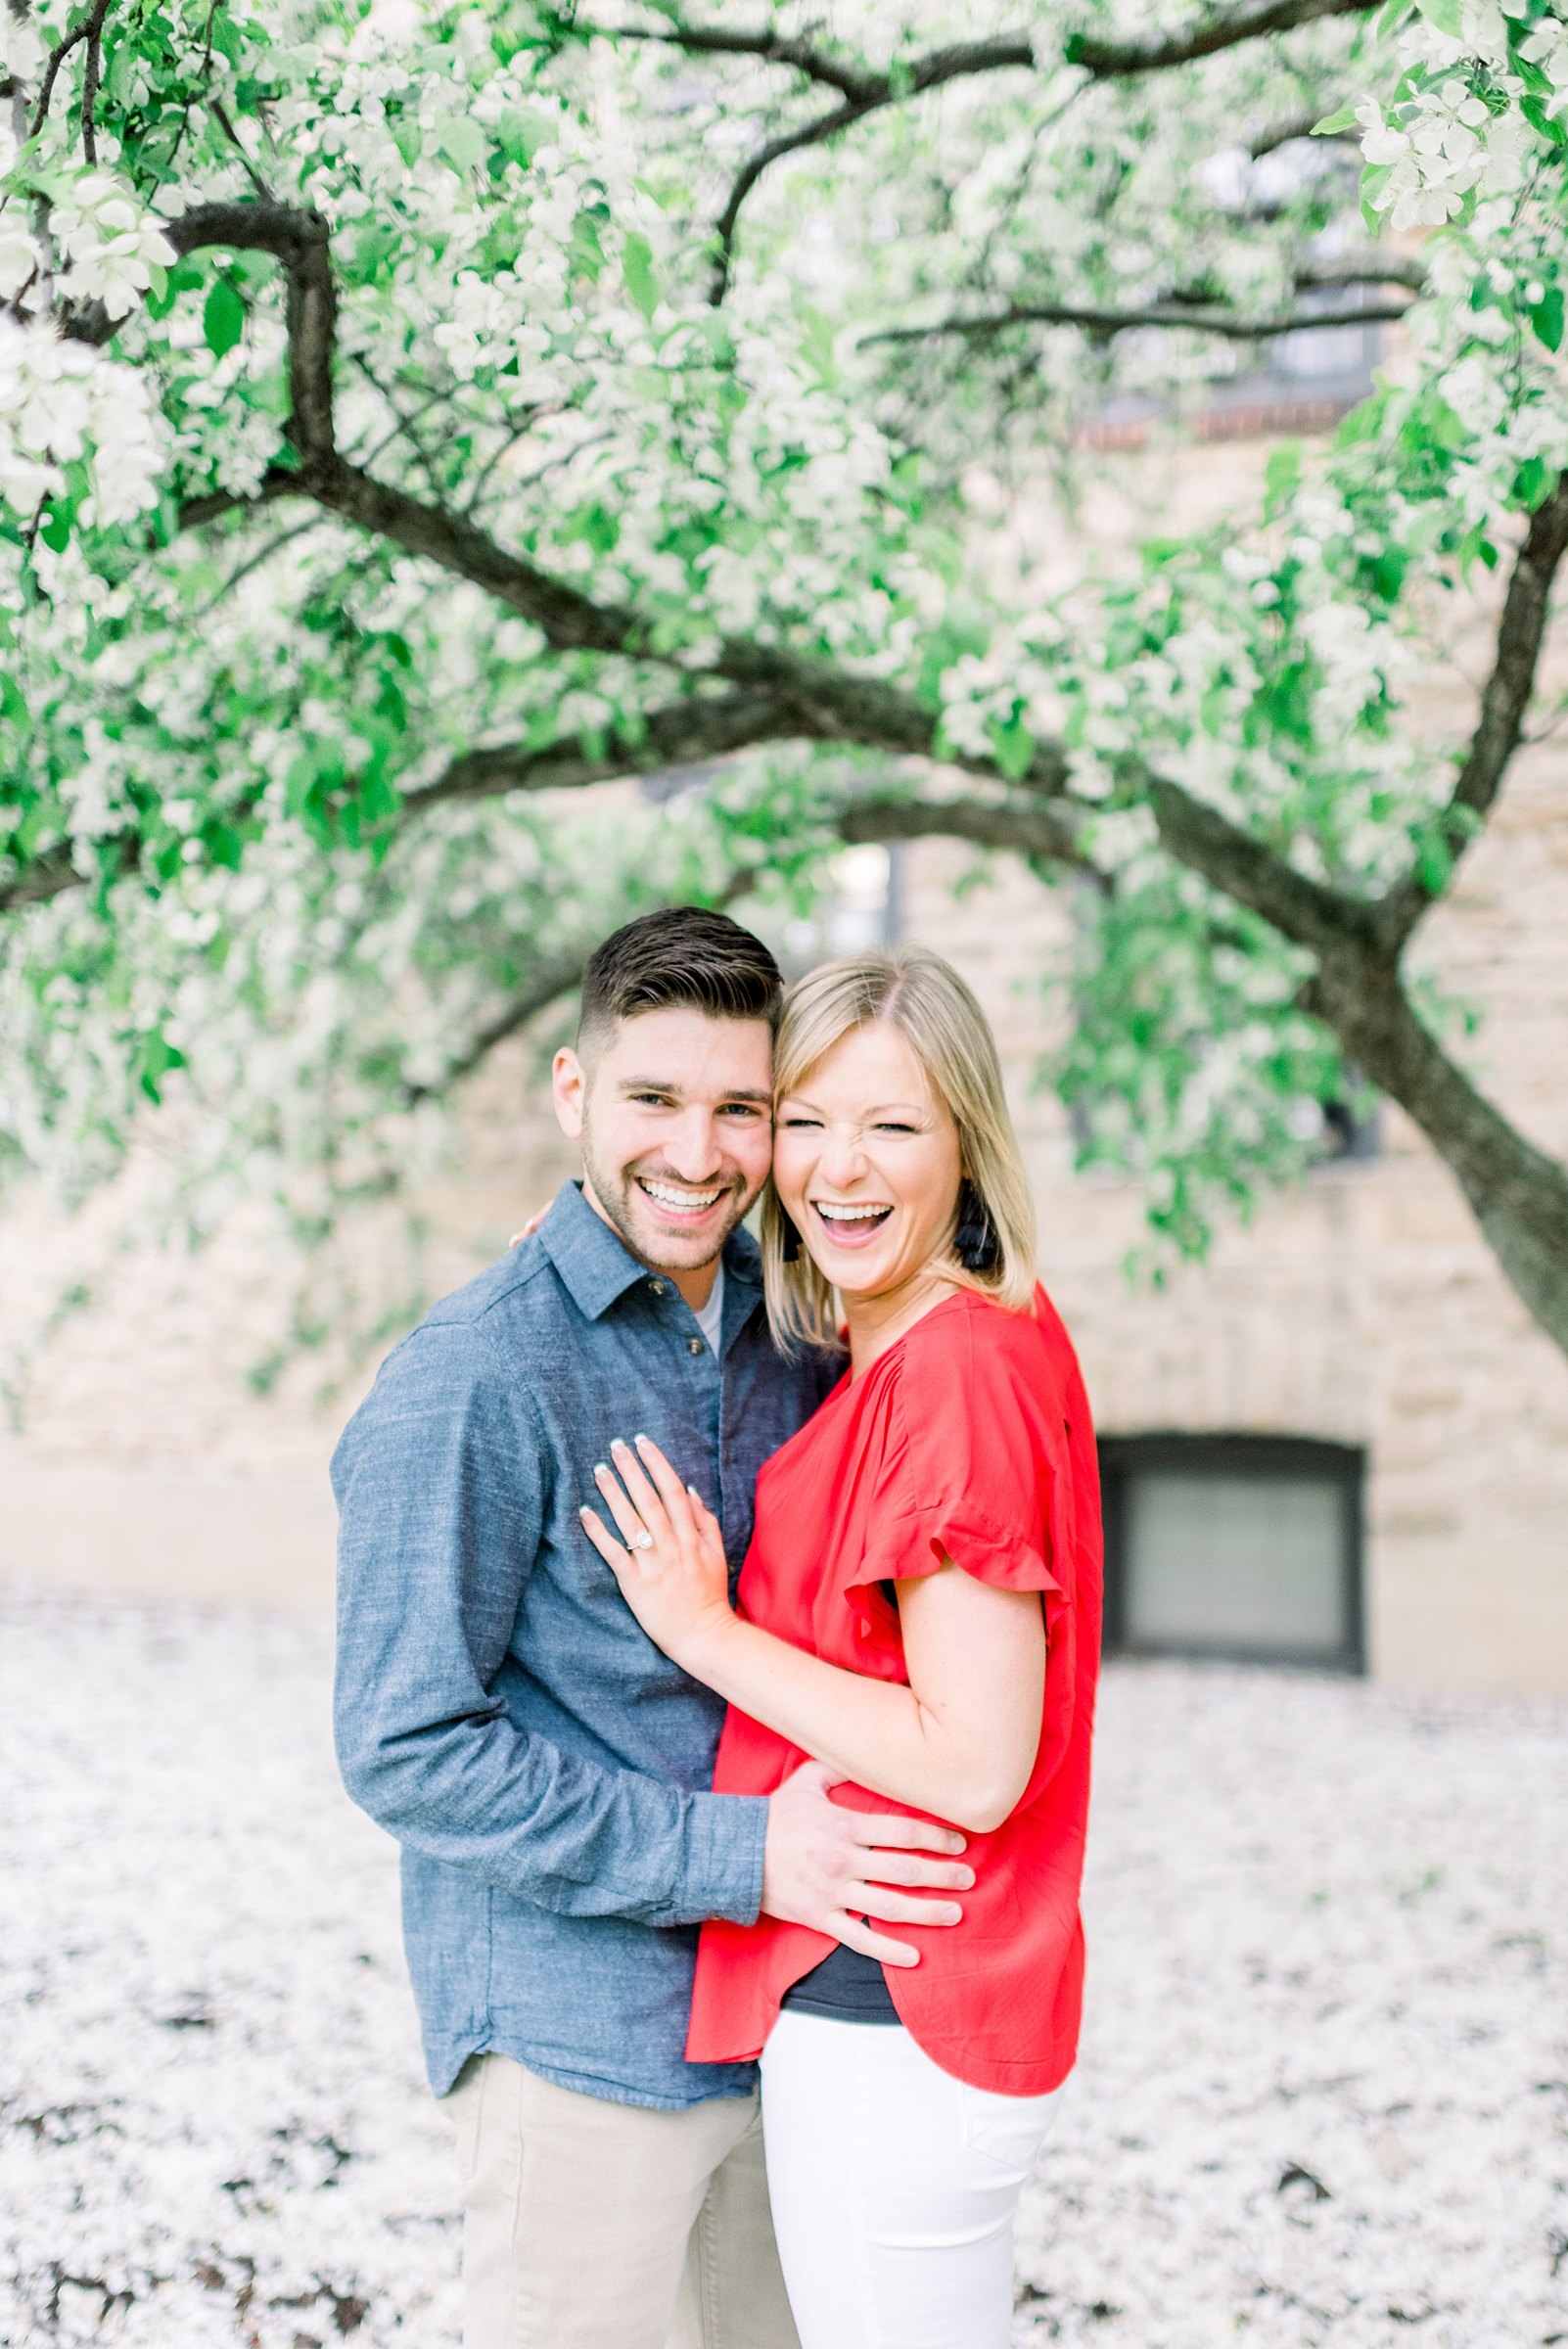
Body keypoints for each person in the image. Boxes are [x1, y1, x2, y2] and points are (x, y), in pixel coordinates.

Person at [331, 908, 977, 2349]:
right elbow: (405, 1746)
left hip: (788, 2032)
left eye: (737, 1109)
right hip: (578, 2048)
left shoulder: (799, 1328)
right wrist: (745, 1858)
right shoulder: (475, 1376)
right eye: (650, 1101)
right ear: (572, 1091)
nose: (694, 1155)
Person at [581, 944, 1103, 2349]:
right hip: (903, 1998)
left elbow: (977, 1761)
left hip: (901, 2006)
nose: (836, 1169)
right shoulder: (939, 1330)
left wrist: (704, 1631)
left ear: (966, 1143)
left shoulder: (949, 1378)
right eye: (802, 1121)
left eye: (890, 1125)